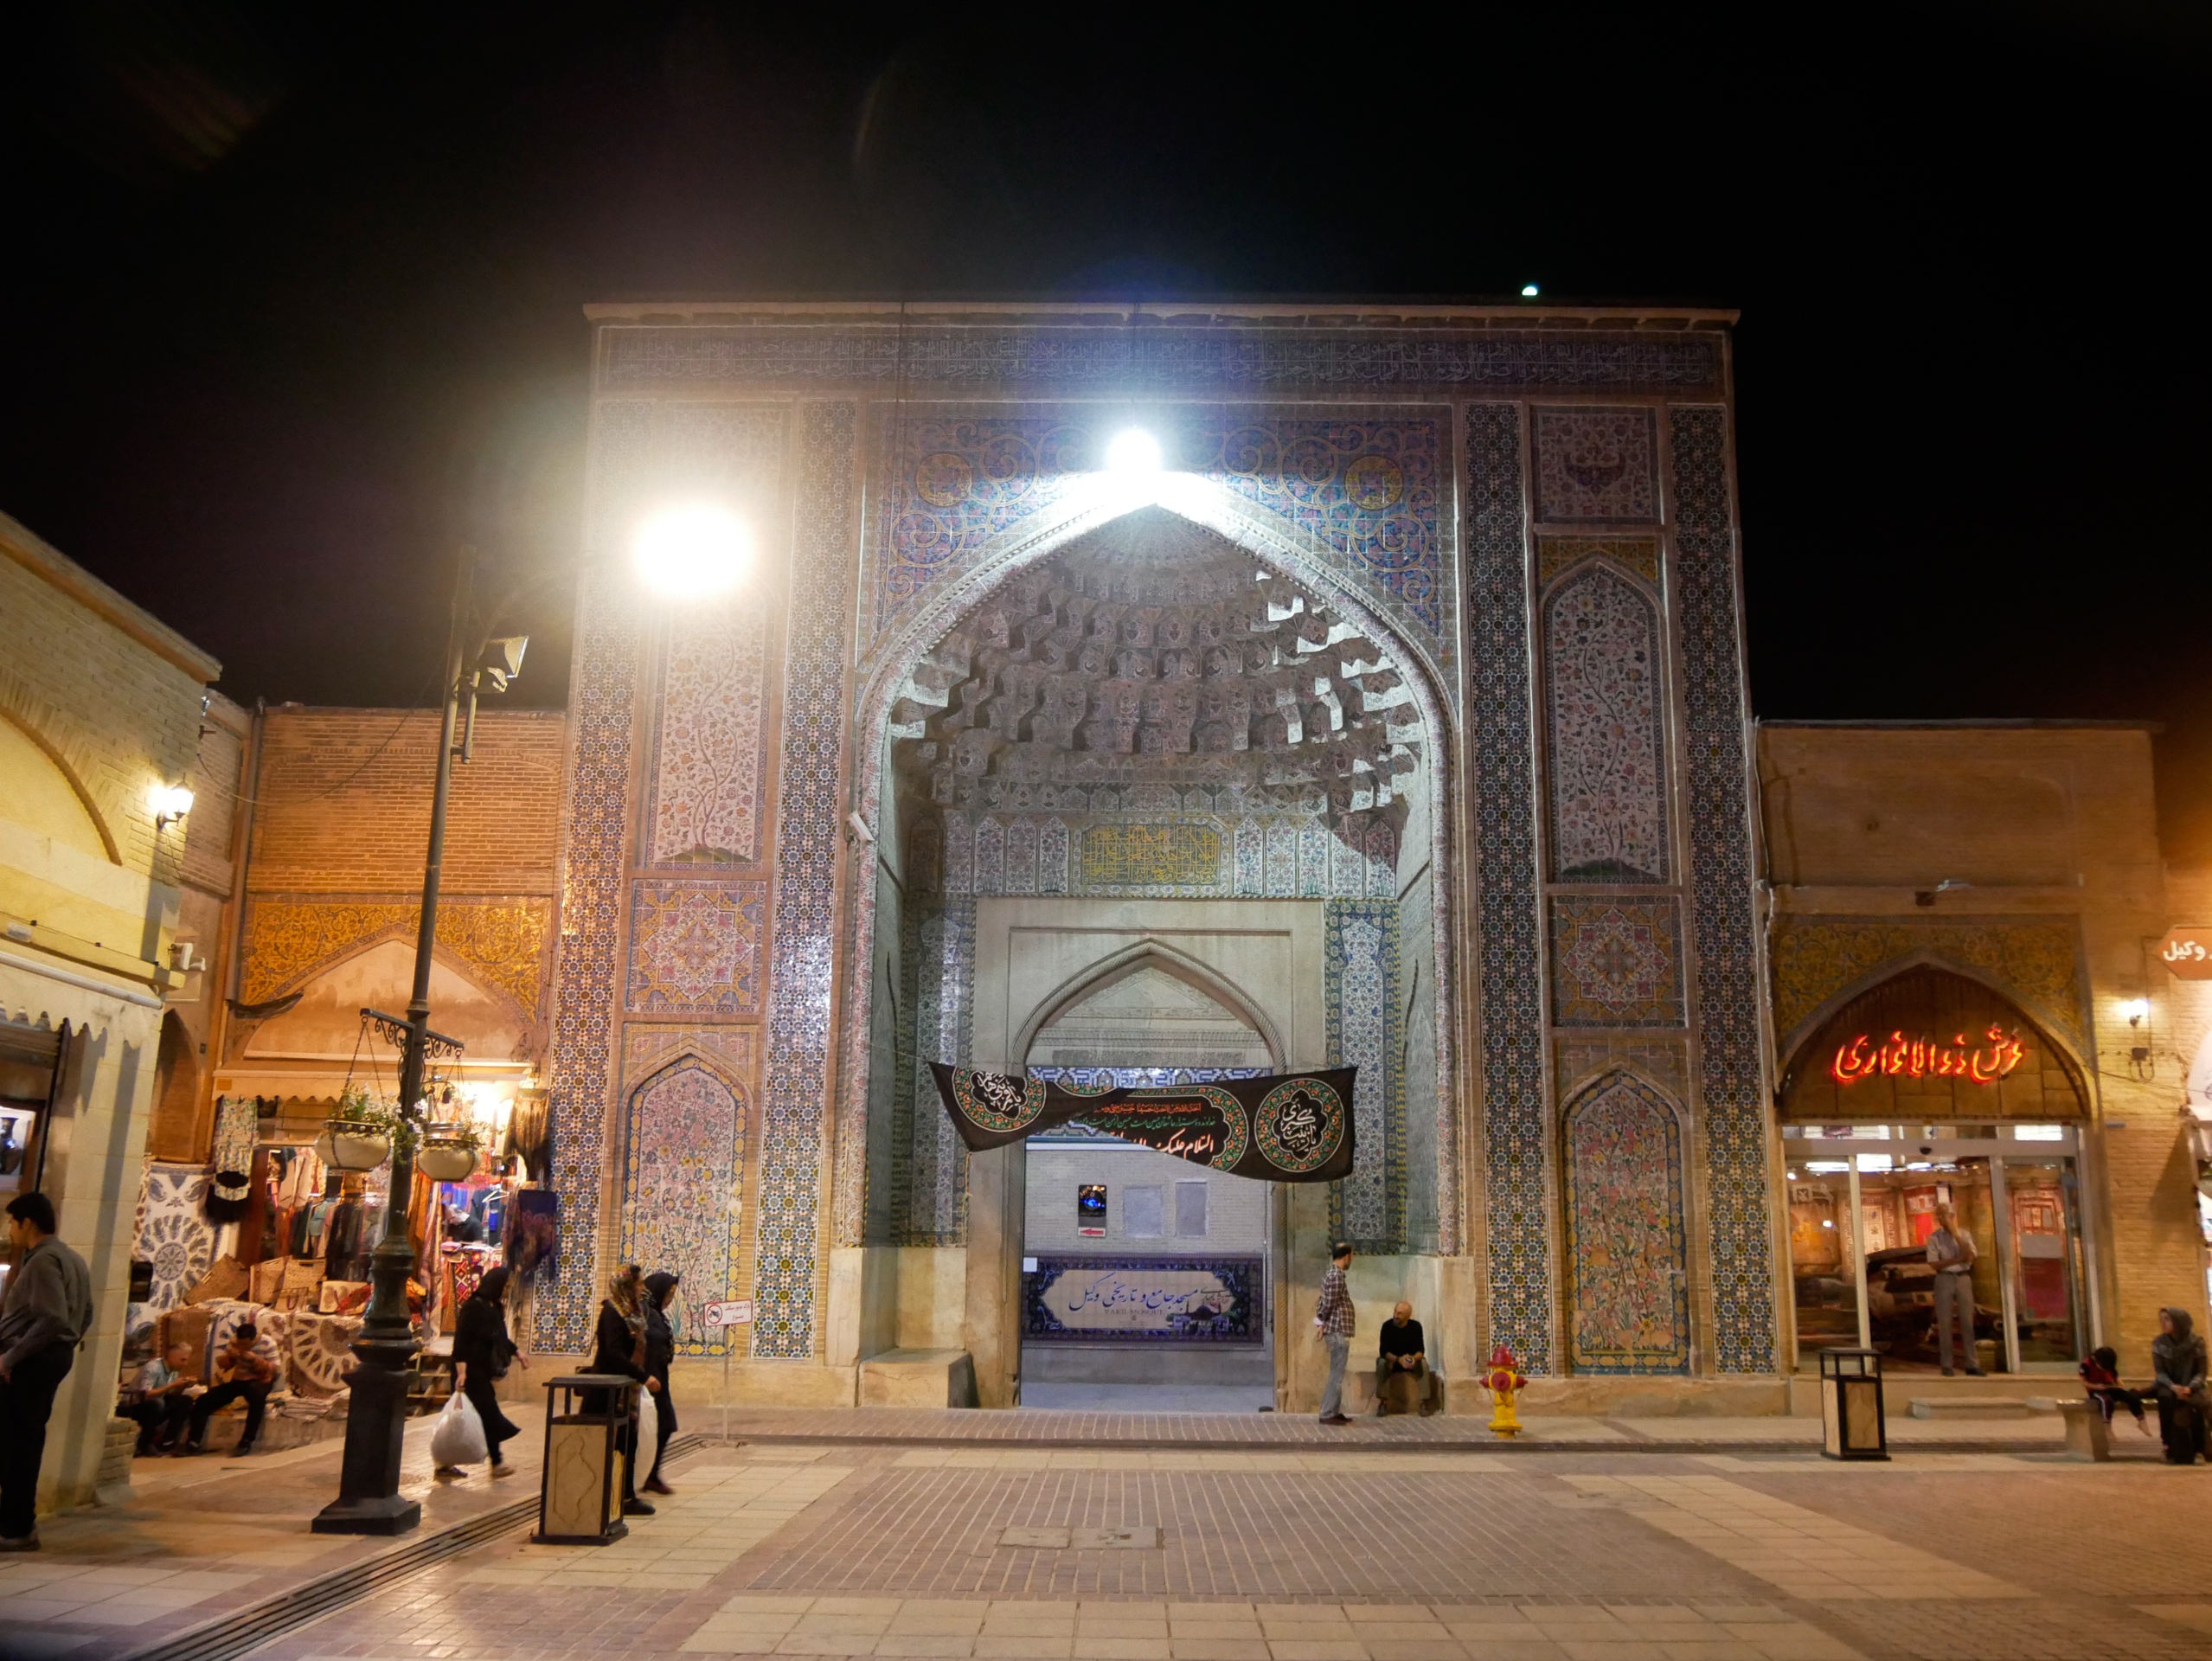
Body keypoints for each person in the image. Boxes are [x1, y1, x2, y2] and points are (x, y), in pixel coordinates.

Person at [0, 1192, 93, 1551]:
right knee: (23, 1441)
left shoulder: (43, 1261)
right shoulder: (71, 1258)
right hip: (49, 1357)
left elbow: (52, 1317)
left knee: (17, 1445)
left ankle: (15, 1528)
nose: (10, 1231)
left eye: (12, 1222)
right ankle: (16, 1524)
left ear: (27, 1223)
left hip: (32, 1362)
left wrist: (12, 1358)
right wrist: (66, 1346)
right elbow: (85, 1314)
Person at [585, 1263, 655, 1517]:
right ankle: (603, 1495)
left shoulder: (631, 1312)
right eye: (638, 1283)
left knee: (627, 1442)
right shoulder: (612, 1313)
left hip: (626, 1390)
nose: (642, 1288)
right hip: (609, 1391)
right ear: (626, 1285)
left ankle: (626, 1496)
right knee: (611, 1443)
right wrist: (643, 1376)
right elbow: (613, 1354)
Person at [452, 1266, 526, 1478]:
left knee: (469, 1418)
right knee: (488, 1413)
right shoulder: (473, 1307)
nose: (506, 1290)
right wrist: (461, 1371)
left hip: (481, 1370)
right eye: (505, 1285)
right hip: (468, 1371)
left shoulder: (494, 1308)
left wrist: (517, 1352)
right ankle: (497, 1462)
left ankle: (444, 1463)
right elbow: (461, 1340)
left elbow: (498, 1337)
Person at [183, 1320, 279, 1456]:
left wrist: (255, 1360)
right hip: (239, 1380)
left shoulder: (268, 1343)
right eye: (240, 1344)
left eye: (245, 1344)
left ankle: (246, 1441)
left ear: (253, 1339)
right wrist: (231, 1358)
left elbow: (275, 1369)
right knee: (204, 1400)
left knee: (257, 1397)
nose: (242, 1347)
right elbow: (224, 1365)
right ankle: (193, 1442)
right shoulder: (235, 1342)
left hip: (260, 1380)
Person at [1925, 1202, 1984, 1376]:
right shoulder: (1935, 1238)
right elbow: (1934, 1263)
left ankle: (1972, 1364)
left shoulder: (1965, 1235)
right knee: (1945, 1323)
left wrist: (1956, 1235)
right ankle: (1947, 1364)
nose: (1942, 1219)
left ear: (1952, 1216)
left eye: (1945, 1215)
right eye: (1939, 1216)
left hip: (1963, 1278)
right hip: (1944, 1278)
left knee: (1967, 1321)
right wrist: (1957, 1259)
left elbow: (1971, 1256)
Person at [2152, 1306, 2209, 1465]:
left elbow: (2202, 1372)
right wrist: (2173, 1387)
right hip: (2169, 1385)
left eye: (2167, 1319)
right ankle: (2168, 1447)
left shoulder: (2196, 1342)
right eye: (2161, 1320)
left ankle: (2199, 1450)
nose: (2163, 1324)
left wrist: (2190, 1388)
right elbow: (2160, 1372)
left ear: (2179, 1321)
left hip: (2192, 1385)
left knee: (2196, 1404)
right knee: (2165, 1400)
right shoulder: (2159, 1343)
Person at [641, 1271, 680, 1496]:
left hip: (659, 1377)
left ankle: (651, 1475)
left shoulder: (656, 1315)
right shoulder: (644, 1314)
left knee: (665, 1425)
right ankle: (645, 1476)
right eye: (668, 1296)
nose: (669, 1301)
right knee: (652, 1427)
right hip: (648, 1378)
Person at [125, 1343, 199, 1455]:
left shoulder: (173, 1371)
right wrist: (173, 1385)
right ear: (171, 1357)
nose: (185, 1364)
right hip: (134, 1406)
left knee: (185, 1400)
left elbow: (169, 1393)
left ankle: (168, 1442)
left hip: (156, 1405)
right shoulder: (154, 1367)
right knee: (156, 1403)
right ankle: (145, 1444)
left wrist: (183, 1386)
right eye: (182, 1360)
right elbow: (146, 1394)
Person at [1374, 1302, 1441, 1417]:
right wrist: (1398, 1359)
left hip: (1409, 1361)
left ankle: (1423, 1403)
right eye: (1395, 1311)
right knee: (1381, 1363)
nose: (1395, 1315)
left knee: (1423, 1364)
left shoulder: (1416, 1327)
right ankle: (1383, 1403)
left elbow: (1420, 1350)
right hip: (1393, 1360)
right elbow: (1384, 1352)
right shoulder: (1387, 1326)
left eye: (1400, 1313)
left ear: (1408, 1316)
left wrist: (1413, 1359)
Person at [1314, 1241, 1355, 1427]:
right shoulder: (1337, 1275)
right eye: (1351, 1256)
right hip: (1337, 1331)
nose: (1351, 1260)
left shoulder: (1331, 1273)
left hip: (1334, 1329)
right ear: (1346, 1256)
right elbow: (1329, 1302)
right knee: (1336, 1375)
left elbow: (1323, 1301)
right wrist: (1321, 1320)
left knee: (1336, 1374)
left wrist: (1320, 1323)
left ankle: (1334, 1411)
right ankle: (1327, 1412)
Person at [2079, 1344, 2151, 1437]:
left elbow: (2114, 1377)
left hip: (2108, 1386)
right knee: (2107, 1401)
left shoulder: (2109, 1365)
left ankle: (2141, 1421)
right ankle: (2107, 1426)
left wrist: (2116, 1383)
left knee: (2132, 1397)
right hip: (2095, 1389)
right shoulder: (2086, 1365)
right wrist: (2096, 1386)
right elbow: (2084, 1382)